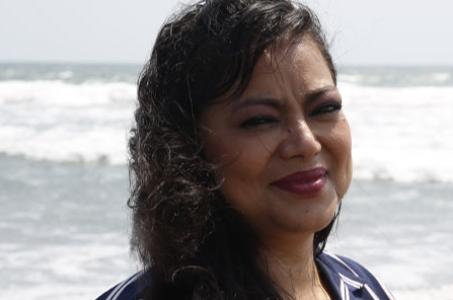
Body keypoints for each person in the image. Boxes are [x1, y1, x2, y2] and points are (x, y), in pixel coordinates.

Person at [97, 0, 394, 299]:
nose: (305, 143)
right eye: (260, 120)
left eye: (325, 108)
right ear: (186, 149)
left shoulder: (363, 287)